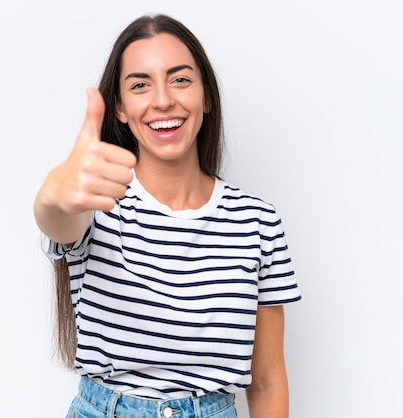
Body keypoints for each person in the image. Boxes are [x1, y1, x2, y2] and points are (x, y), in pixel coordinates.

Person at [34, 14, 301, 418]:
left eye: (180, 79)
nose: (162, 100)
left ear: (206, 96)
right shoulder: (97, 203)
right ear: (120, 108)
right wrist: (54, 196)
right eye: (140, 84)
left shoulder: (257, 223)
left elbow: (266, 379)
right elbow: (58, 219)